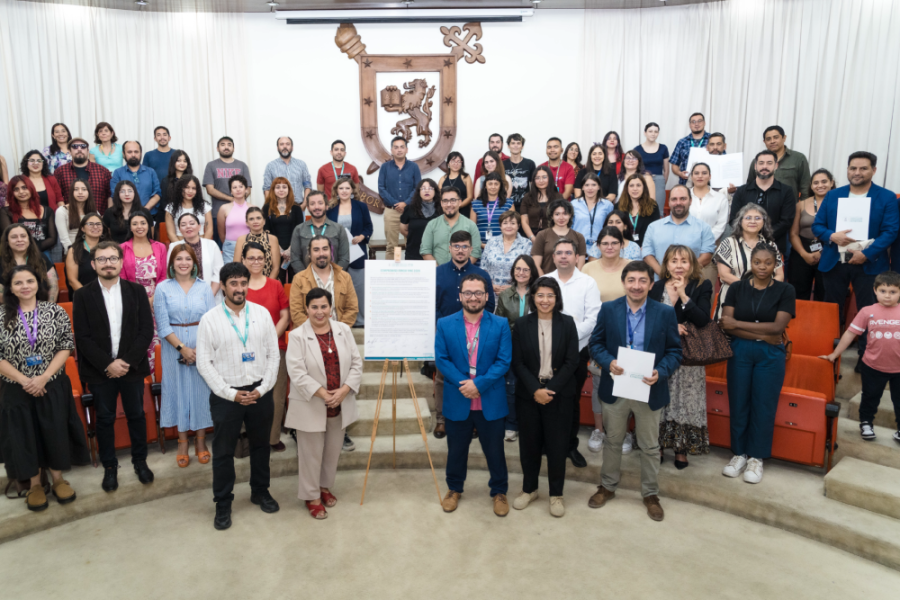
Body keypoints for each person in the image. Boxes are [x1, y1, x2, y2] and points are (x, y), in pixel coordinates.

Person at [588, 261, 682, 521]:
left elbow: (675, 351)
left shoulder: (664, 313)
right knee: (613, 440)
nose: (637, 285)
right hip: (616, 387)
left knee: (650, 447)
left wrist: (660, 372)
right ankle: (607, 487)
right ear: (624, 282)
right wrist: (608, 362)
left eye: (643, 280)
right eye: (631, 280)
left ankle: (650, 494)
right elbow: (595, 344)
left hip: (649, 389)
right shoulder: (608, 309)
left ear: (651, 285)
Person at [196, 263, 281, 530]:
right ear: (222, 286)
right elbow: (204, 363)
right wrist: (231, 394)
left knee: (260, 446)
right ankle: (223, 503)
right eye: (233, 284)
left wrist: (264, 387)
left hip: (259, 391)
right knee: (222, 452)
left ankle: (260, 491)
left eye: (243, 283)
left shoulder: (262, 314)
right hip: (226, 396)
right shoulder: (209, 320)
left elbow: (273, 355)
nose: (239, 289)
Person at [0, 265, 90, 512]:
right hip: (16, 388)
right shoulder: (1, 315)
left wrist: (43, 377)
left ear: (39, 284)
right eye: (18, 283)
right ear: (10, 288)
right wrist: (25, 380)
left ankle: (58, 479)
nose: (25, 286)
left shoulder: (55, 311)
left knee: (55, 430)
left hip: (52, 383)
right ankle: (35, 484)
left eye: (30, 281)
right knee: (24, 435)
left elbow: (66, 345)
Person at [73, 241, 155, 492]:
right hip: (100, 371)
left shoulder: (137, 291)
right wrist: (108, 364)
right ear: (93, 264)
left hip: (132, 367)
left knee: (136, 416)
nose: (108, 263)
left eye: (112, 258)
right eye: (102, 259)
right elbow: (83, 337)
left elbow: (146, 331)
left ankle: (140, 461)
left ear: (121, 262)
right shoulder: (82, 295)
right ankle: (110, 466)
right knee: (105, 419)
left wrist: (126, 362)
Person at [435, 273, 511, 516]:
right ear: (460, 296)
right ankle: (454, 489)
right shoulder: (445, 324)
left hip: (490, 400)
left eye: (478, 292)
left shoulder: (500, 324)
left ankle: (499, 491)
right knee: (456, 450)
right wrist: (464, 382)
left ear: (487, 296)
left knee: (495, 452)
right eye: (468, 292)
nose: (473, 297)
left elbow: (503, 361)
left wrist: (479, 384)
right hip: (458, 399)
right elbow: (442, 359)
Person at [719, 244, 795, 484]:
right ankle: (739, 454)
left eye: (768, 263)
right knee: (739, 401)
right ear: (750, 263)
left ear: (776, 265)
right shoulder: (737, 288)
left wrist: (740, 326)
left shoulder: (785, 290)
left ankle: (756, 458)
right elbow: (725, 324)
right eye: (757, 262)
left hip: (770, 354)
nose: (762, 267)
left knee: (763, 405)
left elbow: (777, 328)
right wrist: (763, 334)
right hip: (740, 350)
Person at [285, 287, 363, 519]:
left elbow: (357, 364)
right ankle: (312, 496)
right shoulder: (298, 335)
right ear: (307, 309)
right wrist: (324, 394)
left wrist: (344, 391)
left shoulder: (343, 330)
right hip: (311, 403)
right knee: (310, 454)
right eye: (314, 307)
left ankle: (325, 486)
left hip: (340, 402)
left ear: (331, 309)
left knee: (332, 451)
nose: (319, 312)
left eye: (324, 306)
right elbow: (297, 373)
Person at [813, 151, 898, 362]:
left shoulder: (886, 197)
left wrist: (866, 254)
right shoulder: (833, 195)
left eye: (863, 168)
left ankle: (866, 359)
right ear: (847, 170)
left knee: (869, 313)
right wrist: (832, 235)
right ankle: (829, 357)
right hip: (835, 262)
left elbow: (890, 231)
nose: (857, 172)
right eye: (853, 168)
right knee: (831, 312)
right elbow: (818, 226)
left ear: (873, 170)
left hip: (869, 265)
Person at [510, 276, 580, 517]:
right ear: (533, 298)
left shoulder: (568, 323)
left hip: (559, 395)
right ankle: (529, 489)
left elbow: (572, 362)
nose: (545, 300)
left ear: (557, 298)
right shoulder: (521, 325)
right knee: (528, 445)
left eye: (550, 295)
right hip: (529, 394)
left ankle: (556, 494)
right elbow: (517, 363)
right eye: (540, 295)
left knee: (557, 446)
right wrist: (535, 390)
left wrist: (550, 390)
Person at [649, 245, 713, 468]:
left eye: (684, 261)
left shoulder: (702, 285)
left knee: (685, 402)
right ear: (666, 264)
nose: (678, 266)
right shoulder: (655, 287)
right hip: (659, 354)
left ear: (692, 264)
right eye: (674, 261)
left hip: (689, 356)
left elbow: (703, 319)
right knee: (659, 400)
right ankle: (655, 446)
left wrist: (685, 295)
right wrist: (669, 327)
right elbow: (644, 319)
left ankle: (681, 449)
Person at [153, 245, 216, 467]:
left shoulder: (204, 288)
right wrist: (183, 349)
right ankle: (182, 441)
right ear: (171, 263)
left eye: (187, 259)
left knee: (201, 391)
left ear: (194, 262)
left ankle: (200, 441)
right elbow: (162, 325)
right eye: (178, 259)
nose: (183, 263)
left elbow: (211, 320)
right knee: (177, 390)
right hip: (173, 346)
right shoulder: (162, 288)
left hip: (201, 346)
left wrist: (198, 349)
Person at [823, 271, 900, 442]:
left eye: (893, 292)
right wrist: (835, 354)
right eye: (883, 291)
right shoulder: (867, 311)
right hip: (873, 366)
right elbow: (850, 334)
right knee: (870, 397)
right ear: (875, 290)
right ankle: (866, 423)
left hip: (899, 369)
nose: (887, 296)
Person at [432, 231, 495, 438]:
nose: (460, 250)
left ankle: (475, 419)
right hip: (447, 335)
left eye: (465, 246)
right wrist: (440, 327)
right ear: (449, 248)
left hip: (476, 335)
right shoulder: (438, 273)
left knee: (475, 376)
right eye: (456, 246)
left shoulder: (481, 274)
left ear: (471, 249)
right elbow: (431, 304)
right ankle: (442, 419)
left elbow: (491, 304)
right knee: (444, 377)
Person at [546, 238, 601, 468]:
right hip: (546, 351)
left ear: (577, 257)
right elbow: (534, 312)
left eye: (568, 252)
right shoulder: (544, 281)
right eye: (559, 252)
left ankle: (570, 446)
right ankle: (547, 445)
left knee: (571, 401)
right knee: (547, 398)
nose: (564, 256)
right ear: (554, 256)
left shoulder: (588, 283)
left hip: (577, 352)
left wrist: (567, 338)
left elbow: (593, 319)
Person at [242, 243, 291, 453]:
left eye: (260, 258)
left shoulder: (275, 284)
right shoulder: (239, 286)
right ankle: (250, 437)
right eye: (251, 258)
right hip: (245, 350)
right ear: (243, 260)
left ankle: (272, 438)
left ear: (266, 260)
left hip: (275, 347)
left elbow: (285, 316)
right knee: (248, 393)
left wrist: (269, 340)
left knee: (276, 395)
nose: (256, 262)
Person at [495, 255, 538, 442]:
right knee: (510, 387)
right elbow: (499, 325)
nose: (521, 273)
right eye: (518, 269)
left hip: (534, 349)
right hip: (510, 349)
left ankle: (529, 425)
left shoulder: (538, 293)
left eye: (526, 269)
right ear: (513, 271)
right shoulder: (505, 295)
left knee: (531, 387)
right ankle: (511, 424)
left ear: (531, 272)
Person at [715, 204, 785, 317]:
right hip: (733, 297)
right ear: (740, 222)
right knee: (729, 331)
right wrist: (751, 288)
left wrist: (764, 290)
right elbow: (724, 275)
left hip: (764, 297)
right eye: (748, 218)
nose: (753, 221)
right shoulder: (728, 243)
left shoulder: (771, 245)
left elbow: (780, 275)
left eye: (758, 218)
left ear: (764, 222)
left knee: (760, 331)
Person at [730, 151, 797, 254]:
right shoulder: (742, 191)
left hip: (775, 247)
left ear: (776, 166)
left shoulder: (786, 191)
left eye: (769, 163)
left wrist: (761, 237)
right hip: (743, 247)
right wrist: (750, 237)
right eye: (761, 163)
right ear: (755, 166)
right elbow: (734, 219)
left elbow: (786, 221)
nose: (764, 166)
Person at [642, 185, 716, 279]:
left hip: (692, 284)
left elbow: (706, 257)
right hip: (660, 285)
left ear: (690, 201)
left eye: (683, 199)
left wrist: (685, 275)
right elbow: (647, 254)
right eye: (674, 199)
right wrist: (664, 275)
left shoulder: (704, 228)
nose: (678, 203)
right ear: (668, 202)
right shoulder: (653, 227)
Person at [121, 209, 166, 363]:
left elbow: (164, 276)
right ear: (130, 227)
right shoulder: (122, 248)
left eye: (143, 223)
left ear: (149, 225)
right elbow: (122, 278)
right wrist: (139, 300)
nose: (139, 226)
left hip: (157, 299)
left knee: (158, 340)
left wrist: (152, 299)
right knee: (139, 339)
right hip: (132, 300)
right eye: (135, 223)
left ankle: (159, 379)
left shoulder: (160, 247)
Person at [327, 177, 372, 325]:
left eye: (347, 188)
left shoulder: (361, 206)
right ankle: (340, 320)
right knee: (338, 288)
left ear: (352, 190)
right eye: (341, 188)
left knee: (359, 288)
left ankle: (360, 321)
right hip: (337, 254)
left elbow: (368, 227)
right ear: (336, 191)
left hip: (357, 253)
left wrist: (362, 236)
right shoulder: (331, 208)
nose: (344, 191)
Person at [290, 235, 359, 329]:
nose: (321, 253)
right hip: (309, 335)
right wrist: (318, 332)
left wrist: (338, 331)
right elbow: (296, 313)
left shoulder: (345, 277)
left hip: (339, 333)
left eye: (325, 249)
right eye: (316, 250)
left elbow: (352, 308)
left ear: (331, 252)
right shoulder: (299, 279)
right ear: (309, 254)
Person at [789, 168, 835, 302]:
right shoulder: (801, 204)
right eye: (816, 183)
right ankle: (797, 323)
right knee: (798, 294)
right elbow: (793, 233)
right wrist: (804, 254)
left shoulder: (840, 203)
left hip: (829, 251)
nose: (820, 185)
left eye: (824, 181)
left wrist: (823, 252)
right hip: (801, 251)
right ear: (811, 185)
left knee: (825, 294)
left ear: (831, 183)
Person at [202, 136, 252, 245]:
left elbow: (248, 188)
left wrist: (239, 198)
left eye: (229, 145)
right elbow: (210, 189)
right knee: (222, 247)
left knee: (246, 246)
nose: (226, 147)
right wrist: (231, 199)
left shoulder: (242, 165)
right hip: (217, 213)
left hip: (242, 213)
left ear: (233, 148)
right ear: (217, 148)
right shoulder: (211, 165)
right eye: (223, 145)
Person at [378, 136, 421, 257]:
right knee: (392, 246)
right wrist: (396, 204)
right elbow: (381, 189)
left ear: (407, 149)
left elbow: (418, 188)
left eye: (402, 147)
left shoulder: (414, 167)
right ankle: (392, 276)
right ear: (391, 150)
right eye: (396, 147)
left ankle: (412, 275)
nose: (399, 150)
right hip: (391, 211)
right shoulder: (385, 167)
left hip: (410, 211)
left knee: (412, 245)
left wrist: (405, 203)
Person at [289, 191, 350, 272]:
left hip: (334, 280)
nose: (316, 207)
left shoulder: (339, 229)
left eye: (320, 203)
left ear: (326, 206)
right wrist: (306, 278)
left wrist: (332, 276)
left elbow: (344, 258)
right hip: (307, 281)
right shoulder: (299, 229)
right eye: (312, 204)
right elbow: (295, 259)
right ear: (308, 207)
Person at [746, 125, 811, 200]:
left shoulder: (798, 158)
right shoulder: (757, 161)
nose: (772, 141)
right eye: (768, 139)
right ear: (764, 142)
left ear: (784, 138)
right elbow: (749, 186)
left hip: (789, 207)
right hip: (761, 207)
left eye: (776, 137)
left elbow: (805, 188)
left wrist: (802, 209)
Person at [688, 162, 729, 281]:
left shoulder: (720, 198)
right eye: (696, 173)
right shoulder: (684, 195)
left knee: (706, 292)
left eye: (704, 173)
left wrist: (704, 240)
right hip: (685, 249)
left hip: (709, 250)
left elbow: (721, 225)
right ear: (691, 176)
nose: (700, 176)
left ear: (710, 176)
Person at [420, 187, 482, 265]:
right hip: (438, 274)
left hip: (463, 275)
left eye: (453, 200)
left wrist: (459, 270)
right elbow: (425, 252)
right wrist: (440, 271)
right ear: (441, 203)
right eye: (445, 201)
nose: (449, 204)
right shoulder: (432, 225)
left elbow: (475, 253)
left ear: (460, 202)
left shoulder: (471, 225)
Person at [167, 213, 224, 297]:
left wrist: (210, 295)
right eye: (183, 225)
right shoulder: (174, 247)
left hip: (210, 294)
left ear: (199, 226)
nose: (188, 226)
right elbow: (171, 273)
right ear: (179, 229)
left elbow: (219, 272)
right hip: (183, 295)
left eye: (192, 223)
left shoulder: (212, 245)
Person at [1, 176, 57, 260]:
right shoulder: (5, 212)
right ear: (11, 193)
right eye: (16, 189)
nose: (21, 192)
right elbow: (7, 237)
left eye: (24, 188)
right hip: (16, 254)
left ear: (31, 189)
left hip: (41, 252)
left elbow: (52, 239)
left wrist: (33, 250)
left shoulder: (47, 211)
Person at [0, 223, 59, 302]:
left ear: (29, 239)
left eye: (23, 236)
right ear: (7, 241)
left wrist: (47, 308)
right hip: (11, 309)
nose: (19, 240)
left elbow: (53, 287)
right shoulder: (1, 261)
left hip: (42, 307)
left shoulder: (41, 258)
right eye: (14, 237)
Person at [54, 137, 112, 216]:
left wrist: (107, 215)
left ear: (88, 151)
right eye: (74, 146)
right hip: (71, 219)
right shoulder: (60, 172)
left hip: (98, 220)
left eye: (83, 146)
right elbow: (57, 196)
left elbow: (110, 195)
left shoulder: (103, 171)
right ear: (69, 152)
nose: (79, 149)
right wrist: (65, 214)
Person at [263, 177, 305, 282]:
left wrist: (290, 250)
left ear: (289, 189)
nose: (281, 190)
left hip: (294, 250)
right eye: (277, 187)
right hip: (274, 249)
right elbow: (266, 230)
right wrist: (279, 250)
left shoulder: (296, 208)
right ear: (273, 190)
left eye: (284, 187)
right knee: (277, 281)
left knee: (295, 281)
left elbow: (300, 230)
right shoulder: (266, 207)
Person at [480, 211, 532, 294]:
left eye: (512, 223)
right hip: (491, 292)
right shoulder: (491, 242)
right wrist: (490, 285)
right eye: (505, 223)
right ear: (500, 226)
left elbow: (529, 271)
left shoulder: (527, 244)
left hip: (516, 294)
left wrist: (513, 288)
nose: (509, 226)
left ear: (518, 225)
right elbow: (483, 267)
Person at [531, 199, 586, 275]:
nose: (561, 218)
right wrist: (544, 281)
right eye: (557, 214)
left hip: (572, 282)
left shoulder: (579, 237)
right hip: (547, 281)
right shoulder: (542, 235)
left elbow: (580, 267)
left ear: (570, 215)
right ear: (551, 216)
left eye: (565, 214)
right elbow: (536, 265)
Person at [109, 141, 161, 214]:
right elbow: (115, 194)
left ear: (141, 153)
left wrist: (145, 210)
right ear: (123, 154)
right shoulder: (118, 173)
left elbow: (157, 193)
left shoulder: (151, 172)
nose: (133, 155)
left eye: (136, 152)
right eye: (129, 152)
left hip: (149, 215)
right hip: (125, 217)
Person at [571, 173, 614, 257]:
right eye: (587, 185)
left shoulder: (607, 205)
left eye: (594, 185)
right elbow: (570, 226)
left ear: (599, 187)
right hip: (577, 248)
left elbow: (611, 227)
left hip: (601, 249)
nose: (590, 188)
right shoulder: (573, 204)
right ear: (582, 187)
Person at [582, 227, 628, 302]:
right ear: (598, 246)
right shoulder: (588, 268)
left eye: (614, 243)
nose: (609, 247)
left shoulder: (632, 266)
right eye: (605, 243)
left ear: (622, 244)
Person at [262, 136, 312, 206]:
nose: (285, 146)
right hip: (278, 207)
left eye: (288, 144)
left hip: (298, 206)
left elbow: (307, 186)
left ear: (292, 147)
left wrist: (304, 205)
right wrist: (270, 206)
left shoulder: (301, 164)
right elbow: (267, 188)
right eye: (281, 144)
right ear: (277, 148)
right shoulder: (270, 166)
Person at [65, 213, 107, 292]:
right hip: (83, 296)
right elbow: (72, 280)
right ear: (82, 228)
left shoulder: (109, 248)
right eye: (90, 224)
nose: (95, 227)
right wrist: (88, 297)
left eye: (98, 224)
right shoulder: (74, 250)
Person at [401, 178, 442, 261]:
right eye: (423, 188)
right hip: (414, 252)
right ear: (418, 192)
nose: (427, 191)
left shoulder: (441, 209)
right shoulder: (410, 208)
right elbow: (403, 229)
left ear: (435, 191)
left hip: (436, 254)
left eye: (430, 188)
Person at [519, 165, 563, 242]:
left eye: (544, 177)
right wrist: (532, 238)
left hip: (552, 236)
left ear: (550, 178)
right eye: (537, 178)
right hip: (529, 237)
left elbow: (561, 220)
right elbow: (524, 221)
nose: (541, 181)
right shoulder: (528, 197)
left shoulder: (558, 197)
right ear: (533, 180)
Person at [234, 207, 280, 279]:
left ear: (264, 221)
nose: (255, 221)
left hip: (269, 281)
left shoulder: (272, 239)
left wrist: (267, 285)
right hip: (247, 283)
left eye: (258, 218)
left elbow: (276, 268)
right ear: (247, 223)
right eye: (251, 219)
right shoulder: (241, 239)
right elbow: (237, 266)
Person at [164, 175, 213, 241]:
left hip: (201, 244)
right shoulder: (171, 207)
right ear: (180, 188)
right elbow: (171, 234)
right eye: (187, 187)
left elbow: (209, 230)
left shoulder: (205, 206)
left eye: (194, 188)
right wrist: (182, 248)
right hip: (179, 246)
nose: (190, 191)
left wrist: (202, 246)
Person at [634, 122, 670, 211]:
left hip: (659, 180)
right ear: (645, 133)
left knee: (658, 209)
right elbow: (635, 169)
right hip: (643, 180)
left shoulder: (663, 148)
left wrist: (662, 183)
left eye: (655, 131)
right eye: (650, 131)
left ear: (658, 133)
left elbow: (666, 170)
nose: (653, 134)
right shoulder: (637, 149)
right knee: (642, 208)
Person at [616, 173, 659, 246]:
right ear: (627, 188)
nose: (635, 188)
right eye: (631, 185)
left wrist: (646, 247)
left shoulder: (652, 206)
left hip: (645, 247)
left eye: (638, 185)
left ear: (644, 187)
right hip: (624, 247)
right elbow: (615, 231)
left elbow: (656, 230)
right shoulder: (618, 206)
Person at [471, 172, 513, 246]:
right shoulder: (475, 204)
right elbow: (472, 229)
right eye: (490, 184)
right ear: (485, 186)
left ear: (500, 186)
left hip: (503, 246)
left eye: (496, 184)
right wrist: (482, 245)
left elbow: (513, 227)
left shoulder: (508, 204)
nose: (493, 187)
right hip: (480, 246)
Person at [55, 179, 97, 253]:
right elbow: (64, 239)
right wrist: (72, 252)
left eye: (84, 189)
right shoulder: (62, 211)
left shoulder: (94, 211)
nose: (80, 192)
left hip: (93, 250)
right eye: (76, 189)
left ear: (89, 192)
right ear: (71, 192)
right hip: (72, 251)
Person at [217, 175, 252, 263]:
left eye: (241, 186)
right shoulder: (224, 208)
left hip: (249, 246)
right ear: (231, 191)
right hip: (229, 248)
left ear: (246, 189)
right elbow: (221, 233)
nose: (238, 189)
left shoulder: (253, 208)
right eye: (234, 187)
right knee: (231, 275)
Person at [160, 150, 197, 230]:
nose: (182, 163)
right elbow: (164, 202)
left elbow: (196, 199)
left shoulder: (192, 180)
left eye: (185, 161)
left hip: (190, 217)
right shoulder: (166, 181)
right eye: (179, 161)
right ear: (173, 162)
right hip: (171, 217)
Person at [671, 112, 710, 184]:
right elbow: (674, 165)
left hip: (709, 183)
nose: (696, 124)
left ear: (704, 123)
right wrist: (680, 173)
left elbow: (721, 159)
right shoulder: (682, 142)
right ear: (690, 125)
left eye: (699, 121)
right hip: (686, 183)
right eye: (693, 122)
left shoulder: (713, 140)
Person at [503, 133, 535, 211]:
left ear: (522, 146)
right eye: (513, 143)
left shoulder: (530, 163)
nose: (515, 145)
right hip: (507, 205)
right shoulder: (502, 164)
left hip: (526, 205)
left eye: (518, 143)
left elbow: (534, 185)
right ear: (508, 146)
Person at [437, 152, 473, 218]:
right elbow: (439, 197)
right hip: (447, 212)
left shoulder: (466, 177)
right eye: (453, 161)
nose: (456, 164)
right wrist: (448, 207)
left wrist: (457, 206)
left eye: (458, 161)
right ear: (448, 164)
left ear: (462, 164)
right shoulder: (442, 179)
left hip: (463, 211)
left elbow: (469, 197)